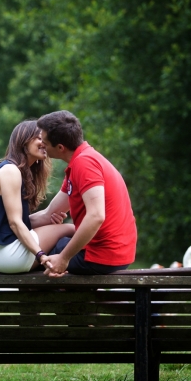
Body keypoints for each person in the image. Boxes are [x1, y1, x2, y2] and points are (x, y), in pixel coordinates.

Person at [32, 110, 137, 277]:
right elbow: (49, 213)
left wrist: (64, 258)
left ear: (60, 148)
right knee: (43, 246)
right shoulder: (80, 162)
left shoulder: (84, 164)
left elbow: (96, 216)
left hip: (102, 256)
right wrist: (11, 223)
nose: (42, 145)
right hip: (108, 254)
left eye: (44, 142)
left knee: (35, 254)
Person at [0, 120, 75, 273]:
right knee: (71, 229)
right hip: (6, 254)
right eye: (39, 138)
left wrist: (45, 219)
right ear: (23, 141)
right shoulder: (11, 171)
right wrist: (40, 255)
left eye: (45, 139)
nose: (44, 143)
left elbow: (6, 222)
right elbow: (14, 223)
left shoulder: (8, 169)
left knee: (58, 230)